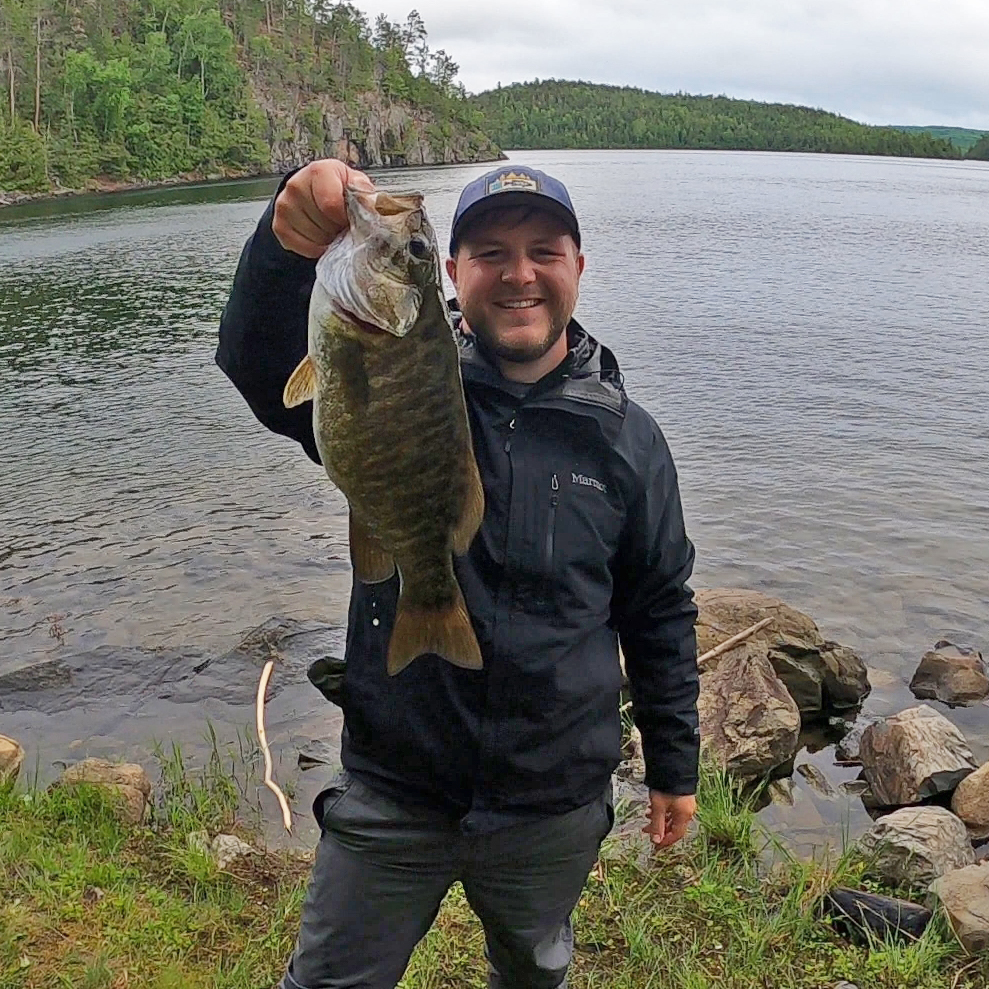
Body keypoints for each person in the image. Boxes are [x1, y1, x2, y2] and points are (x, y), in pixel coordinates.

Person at [216, 159, 700, 989]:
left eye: (543, 250)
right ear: (452, 273)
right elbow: (258, 368)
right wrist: (283, 243)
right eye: (489, 253)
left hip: (551, 799)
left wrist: (673, 765)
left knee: (531, 969)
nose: (519, 274)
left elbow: (657, 608)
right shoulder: (398, 359)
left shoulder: (628, 442)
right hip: (394, 783)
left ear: (577, 267)